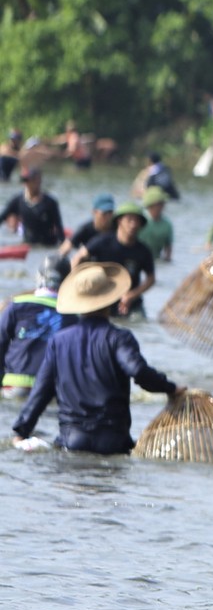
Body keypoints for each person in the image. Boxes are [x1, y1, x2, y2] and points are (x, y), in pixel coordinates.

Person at [12, 262, 180, 454]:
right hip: (114, 442)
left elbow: (41, 391)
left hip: (72, 441)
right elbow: (138, 371)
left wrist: (21, 430)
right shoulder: (119, 338)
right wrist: (170, 388)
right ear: (111, 300)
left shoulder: (58, 342)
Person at [1, 258, 65, 402]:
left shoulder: (15, 306)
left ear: (38, 277)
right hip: (52, 390)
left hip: (14, 385)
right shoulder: (73, 315)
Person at [82, 203, 157, 316]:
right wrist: (82, 286)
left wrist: (131, 295)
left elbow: (151, 279)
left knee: (139, 321)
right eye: (129, 219)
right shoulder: (102, 242)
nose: (133, 224)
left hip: (130, 303)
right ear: (119, 221)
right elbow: (78, 258)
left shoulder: (143, 250)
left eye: (137, 221)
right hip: (102, 299)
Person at [2, 166, 61, 247]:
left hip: (48, 245)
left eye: (30, 180)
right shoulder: (18, 201)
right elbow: (1, 218)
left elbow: (59, 228)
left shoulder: (50, 202)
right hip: (29, 246)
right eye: (25, 180)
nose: (27, 183)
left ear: (39, 180)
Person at [58, 194, 117, 263]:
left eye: (110, 212)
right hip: (89, 266)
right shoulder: (85, 229)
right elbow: (66, 247)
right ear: (94, 212)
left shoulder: (118, 229)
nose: (108, 217)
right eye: (104, 214)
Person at [136, 187, 173, 263]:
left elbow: (168, 247)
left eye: (163, 203)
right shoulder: (140, 221)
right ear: (150, 205)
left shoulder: (167, 224)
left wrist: (167, 260)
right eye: (160, 204)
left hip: (156, 259)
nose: (163, 206)